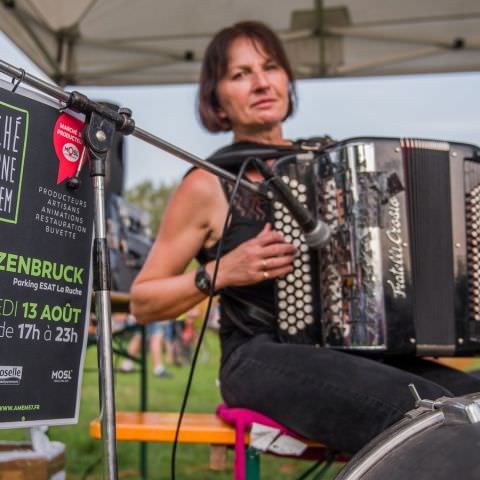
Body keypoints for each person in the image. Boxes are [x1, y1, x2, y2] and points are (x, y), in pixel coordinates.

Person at [130, 21, 480, 454]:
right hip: (258, 357)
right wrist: (220, 272)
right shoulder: (207, 184)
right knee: (427, 415)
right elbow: (143, 301)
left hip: (350, 351)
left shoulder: (334, 163)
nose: (261, 82)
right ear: (216, 99)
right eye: (240, 74)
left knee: (473, 402)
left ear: (286, 81)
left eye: (270, 67)